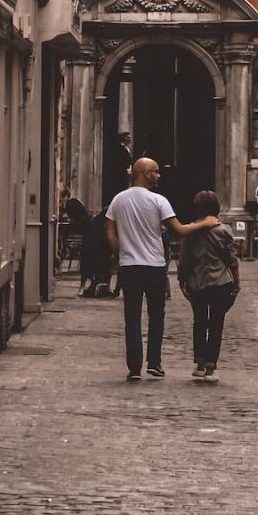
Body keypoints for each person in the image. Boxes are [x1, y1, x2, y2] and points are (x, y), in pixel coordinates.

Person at [104, 157, 214, 381]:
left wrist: (120, 253)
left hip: (130, 266)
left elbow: (109, 231)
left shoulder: (118, 200)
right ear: (144, 173)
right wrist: (205, 223)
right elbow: (180, 230)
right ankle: (154, 362)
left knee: (132, 318)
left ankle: (134, 368)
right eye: (155, 171)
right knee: (157, 316)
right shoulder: (159, 201)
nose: (159, 175)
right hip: (154, 266)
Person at [177, 188, 241, 381]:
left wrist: (182, 281)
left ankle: (199, 363)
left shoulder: (190, 231)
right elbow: (231, 259)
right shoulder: (224, 230)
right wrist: (237, 281)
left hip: (197, 282)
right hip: (221, 282)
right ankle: (211, 367)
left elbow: (184, 260)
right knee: (216, 324)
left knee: (199, 322)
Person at [61, 188, 108, 297]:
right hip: (88, 234)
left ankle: (85, 286)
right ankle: (88, 285)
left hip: (89, 235)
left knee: (87, 260)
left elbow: (81, 218)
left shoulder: (71, 203)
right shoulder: (72, 203)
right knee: (88, 260)